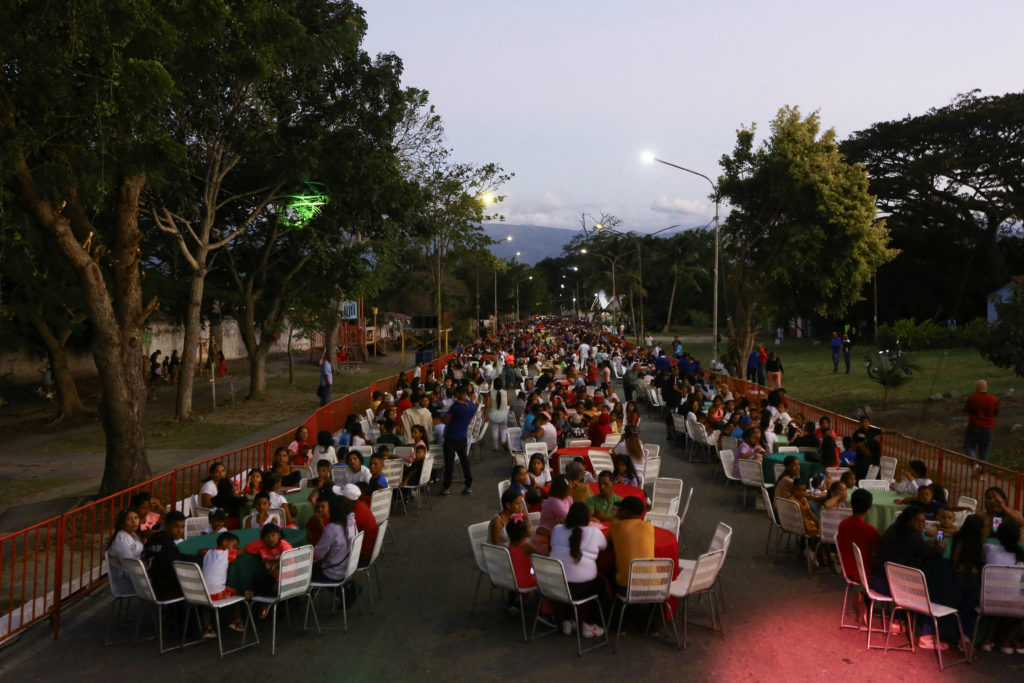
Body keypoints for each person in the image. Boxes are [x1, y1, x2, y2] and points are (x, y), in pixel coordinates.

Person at [870, 505, 947, 650]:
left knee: (905, 578)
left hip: (876, 580)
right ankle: (927, 636)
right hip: (892, 587)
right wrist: (941, 546)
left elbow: (913, 549)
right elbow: (933, 553)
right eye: (918, 521)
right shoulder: (912, 538)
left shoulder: (893, 528)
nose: (921, 525)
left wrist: (926, 544)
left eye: (923, 522)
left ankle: (897, 620)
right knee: (935, 592)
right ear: (908, 521)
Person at [549, 502, 608, 638]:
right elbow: (605, 546)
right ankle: (590, 624)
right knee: (601, 585)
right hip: (582, 590)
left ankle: (567, 620)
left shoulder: (557, 529)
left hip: (555, 587)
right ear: (587, 518)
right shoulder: (595, 532)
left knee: (568, 575)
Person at [140, 511, 196, 600]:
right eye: (176, 526)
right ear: (166, 526)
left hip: (151, 587)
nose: (180, 531)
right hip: (166, 591)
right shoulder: (168, 548)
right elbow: (174, 576)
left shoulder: (152, 540)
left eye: (182, 527)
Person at [951, 514, 985, 648]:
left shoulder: (958, 538)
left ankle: (960, 636)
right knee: (970, 608)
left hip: (959, 576)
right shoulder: (979, 542)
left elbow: (954, 558)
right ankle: (967, 637)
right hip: (972, 577)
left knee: (959, 607)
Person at [607, 496, 654, 593]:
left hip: (626, 588)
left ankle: (612, 607)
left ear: (626, 512)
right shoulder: (649, 527)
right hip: (652, 588)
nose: (618, 511)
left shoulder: (616, 525)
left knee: (606, 575)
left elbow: (608, 545)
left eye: (620, 509)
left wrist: (617, 517)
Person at [200, 532, 245, 635]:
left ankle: (207, 628)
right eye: (233, 546)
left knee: (206, 605)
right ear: (224, 542)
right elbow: (242, 551)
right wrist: (238, 550)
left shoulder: (207, 552)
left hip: (203, 594)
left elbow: (201, 551)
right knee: (235, 593)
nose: (234, 548)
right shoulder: (227, 554)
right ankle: (237, 622)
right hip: (217, 594)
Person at [836, 488, 880, 584]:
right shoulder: (870, 530)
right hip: (864, 575)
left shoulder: (842, 524)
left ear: (851, 504)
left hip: (847, 571)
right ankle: (866, 596)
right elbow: (880, 552)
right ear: (870, 507)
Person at [311, 497, 357, 585]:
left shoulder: (332, 528)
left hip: (333, 573)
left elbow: (318, 554)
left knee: (303, 572)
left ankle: (308, 596)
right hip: (348, 569)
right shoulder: (352, 522)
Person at [440, 383, 475, 496]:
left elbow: (446, 420)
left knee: (449, 463)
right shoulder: (471, 406)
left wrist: (453, 406)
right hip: (462, 437)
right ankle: (468, 484)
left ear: (460, 394)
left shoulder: (456, 407)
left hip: (451, 437)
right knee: (464, 460)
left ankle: (446, 487)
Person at [963, 379, 999, 472]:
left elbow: (966, 410)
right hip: (989, 427)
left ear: (977, 388)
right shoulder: (993, 399)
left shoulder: (972, 398)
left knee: (968, 446)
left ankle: (975, 465)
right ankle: (982, 474)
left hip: (974, 426)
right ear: (986, 388)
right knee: (984, 449)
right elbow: (996, 412)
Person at [337, 483, 378, 565]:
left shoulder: (353, 517)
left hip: (360, 557)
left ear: (347, 500)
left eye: (340, 498)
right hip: (367, 551)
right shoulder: (360, 506)